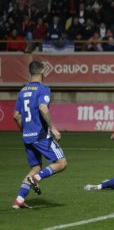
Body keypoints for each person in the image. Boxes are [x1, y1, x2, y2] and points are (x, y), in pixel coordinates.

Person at [12, 60, 67, 209]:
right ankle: (36, 179)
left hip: (27, 136)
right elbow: (43, 108)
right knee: (61, 163)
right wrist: (54, 129)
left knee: (35, 167)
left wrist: (25, 131)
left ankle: (19, 200)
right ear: (42, 71)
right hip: (41, 135)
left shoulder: (22, 91)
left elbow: (16, 115)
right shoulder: (43, 89)